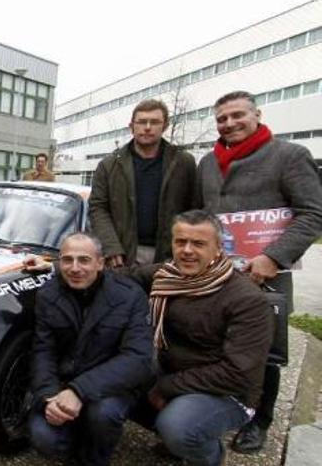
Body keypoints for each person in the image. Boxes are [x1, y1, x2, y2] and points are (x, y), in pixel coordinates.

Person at [196, 91, 322, 453]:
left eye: (238, 115)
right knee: (213, 346)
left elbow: (312, 213)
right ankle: (212, 414)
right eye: (222, 118)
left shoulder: (290, 156)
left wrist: (274, 257)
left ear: (257, 115)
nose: (230, 123)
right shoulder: (207, 162)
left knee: (263, 353)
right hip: (217, 273)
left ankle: (258, 420)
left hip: (266, 273)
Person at [130, 210, 273, 465]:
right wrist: (55, 267)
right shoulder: (167, 275)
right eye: (180, 242)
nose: (187, 250)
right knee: (115, 383)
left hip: (228, 392)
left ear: (219, 248)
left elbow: (236, 373)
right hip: (174, 372)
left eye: (198, 243)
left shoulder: (246, 300)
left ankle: (206, 454)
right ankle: (181, 435)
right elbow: (115, 278)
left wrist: (166, 387)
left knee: (178, 427)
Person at [28, 232, 154, 466]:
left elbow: (139, 358)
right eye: (67, 260)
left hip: (111, 387)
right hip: (64, 385)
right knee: (43, 436)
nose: (74, 268)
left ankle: (94, 458)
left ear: (100, 262)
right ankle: (74, 446)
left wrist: (78, 391)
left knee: (102, 415)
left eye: (84, 260)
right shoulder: (48, 295)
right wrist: (48, 396)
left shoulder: (129, 296)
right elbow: (43, 350)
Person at [89, 99, 196, 267]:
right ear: (131, 126)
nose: (147, 127)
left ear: (165, 126)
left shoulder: (183, 163)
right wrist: (110, 246)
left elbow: (194, 210)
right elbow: (97, 208)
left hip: (171, 256)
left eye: (154, 122)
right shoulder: (109, 165)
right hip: (123, 256)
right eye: (141, 122)